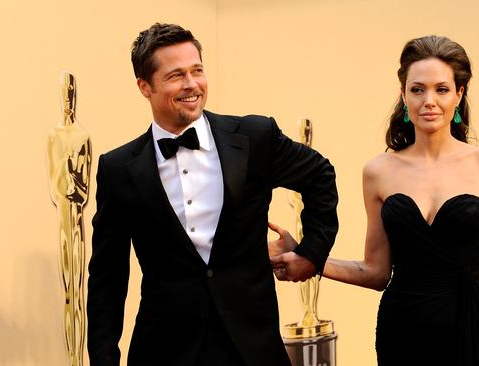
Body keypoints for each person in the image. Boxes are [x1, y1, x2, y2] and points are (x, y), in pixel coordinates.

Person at [270, 35, 479, 365]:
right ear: (404, 95)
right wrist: (309, 257)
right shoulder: (378, 171)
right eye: (417, 89)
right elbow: (375, 272)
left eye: (442, 89)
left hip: (471, 326)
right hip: (402, 330)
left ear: (459, 95)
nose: (428, 100)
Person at [87, 23, 338, 366]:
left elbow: (319, 175)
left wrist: (312, 253)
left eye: (197, 71)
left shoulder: (254, 136)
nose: (191, 85)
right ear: (144, 86)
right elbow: (107, 278)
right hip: (164, 351)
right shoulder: (118, 168)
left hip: (252, 348)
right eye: (176, 75)